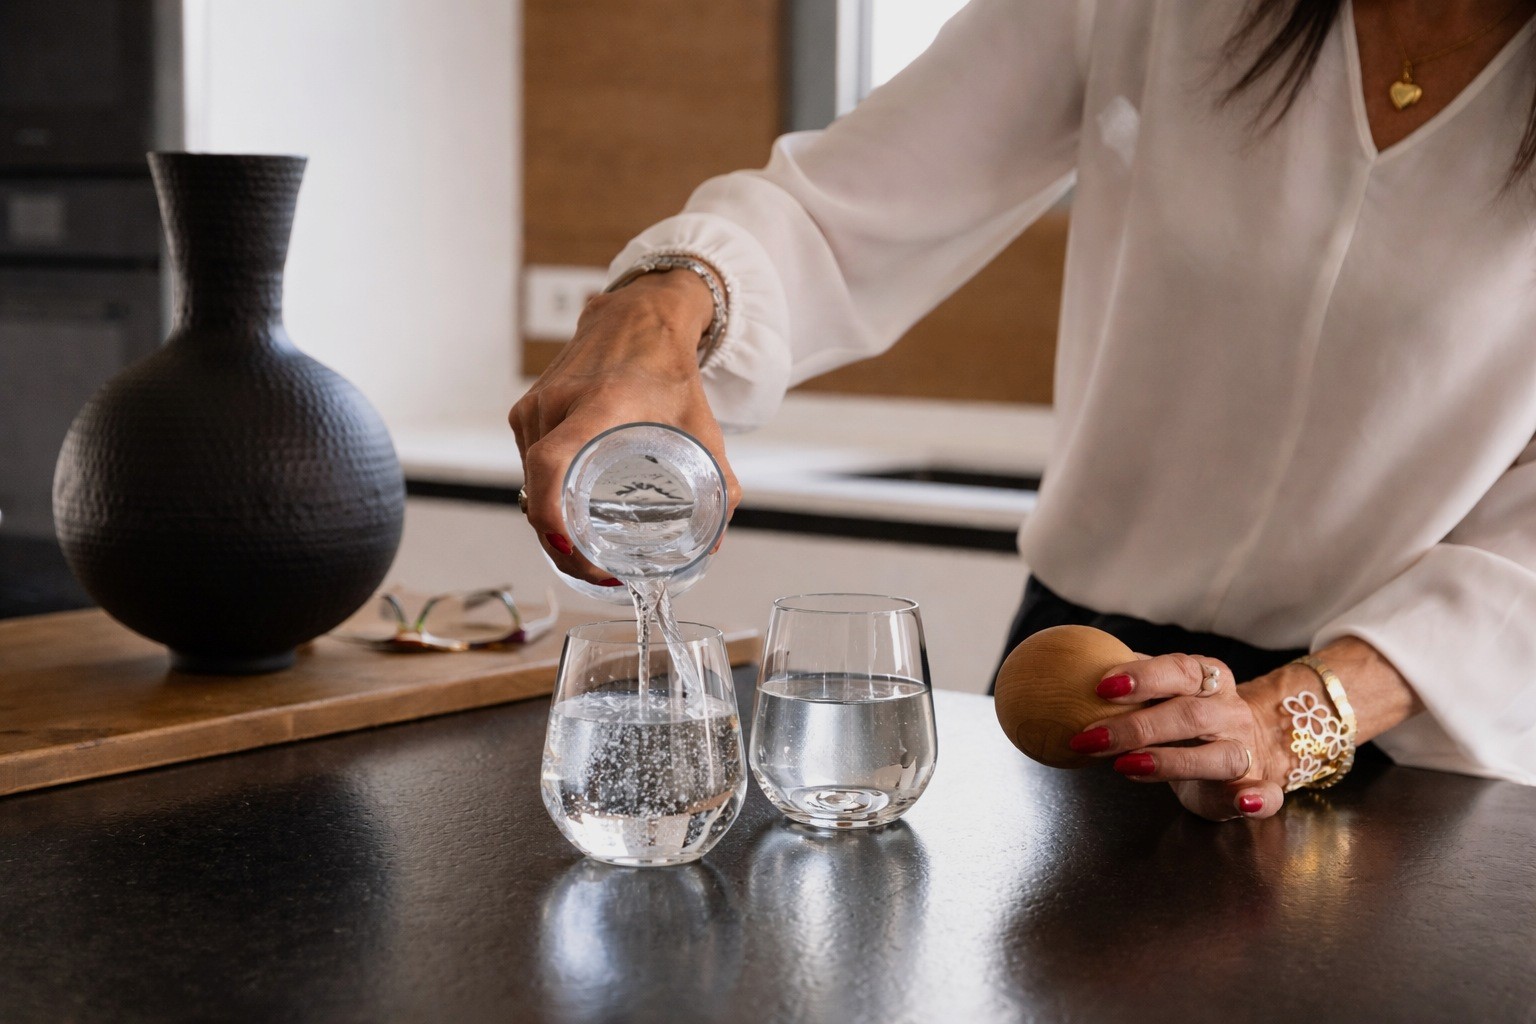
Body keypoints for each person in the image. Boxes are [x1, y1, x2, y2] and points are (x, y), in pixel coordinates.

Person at [510, 0, 1536, 819]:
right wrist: (665, 304)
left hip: (1412, 730)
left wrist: (1299, 716)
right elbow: (835, 215)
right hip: (1082, 690)